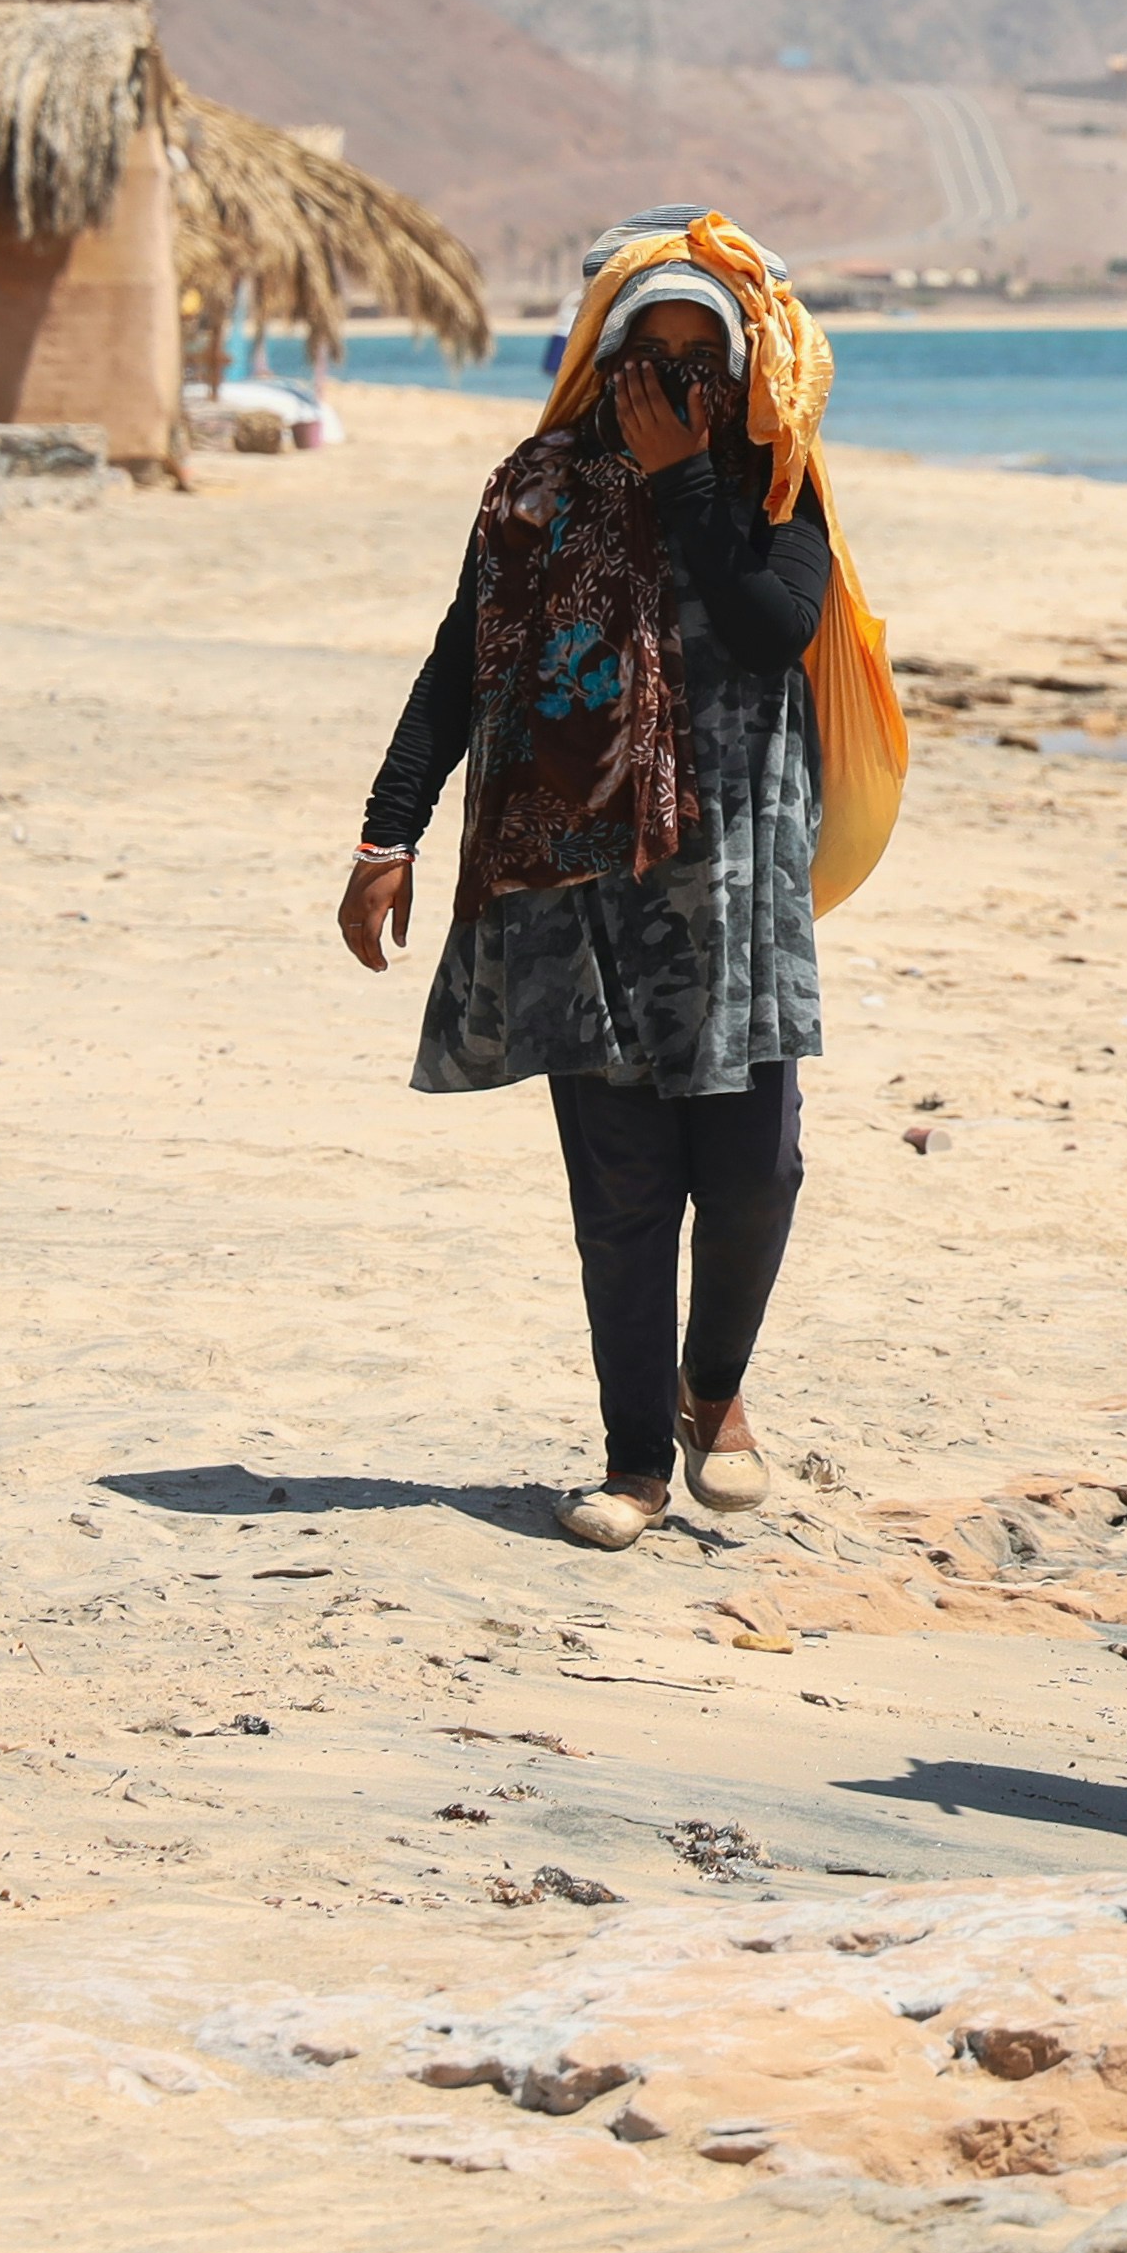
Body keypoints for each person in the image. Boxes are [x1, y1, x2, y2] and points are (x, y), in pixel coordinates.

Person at [337, 210, 909, 1549]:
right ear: (600, 364)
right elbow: (458, 667)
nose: (669, 388)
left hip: (739, 890)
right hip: (582, 878)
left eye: (695, 361)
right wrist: (387, 831)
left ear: (739, 371)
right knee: (625, 1185)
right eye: (643, 361)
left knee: (758, 1164)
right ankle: (637, 1458)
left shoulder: (780, 488)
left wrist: (684, 481)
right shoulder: (533, 489)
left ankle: (718, 1385)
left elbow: (774, 630)